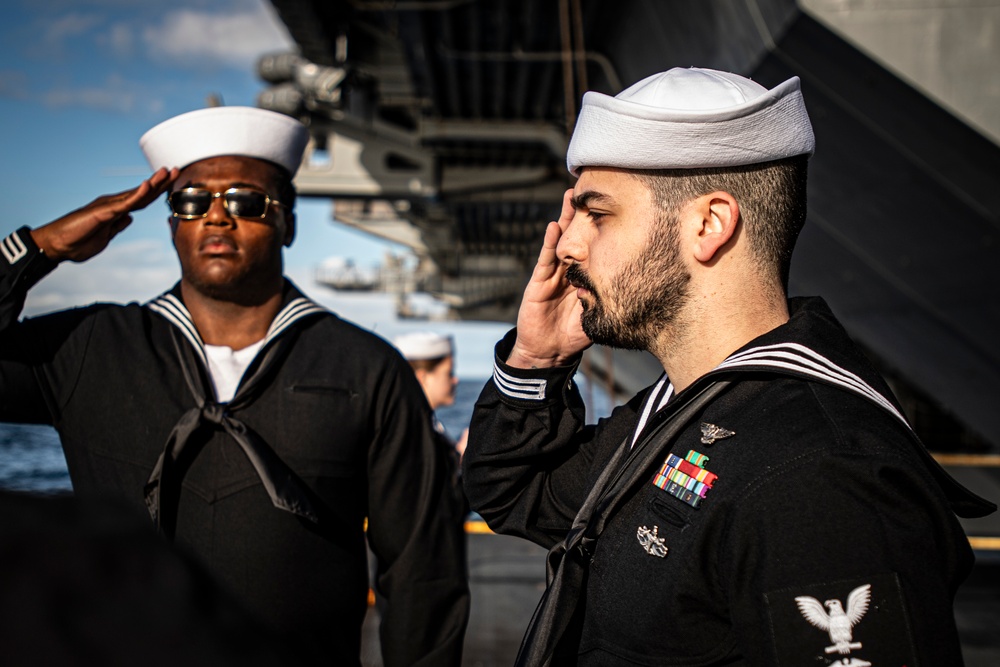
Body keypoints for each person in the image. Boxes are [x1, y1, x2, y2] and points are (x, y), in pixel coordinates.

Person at [461, 67, 995, 666]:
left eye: (598, 213)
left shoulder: (822, 479)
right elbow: (514, 492)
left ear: (709, 225)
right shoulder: (682, 412)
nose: (565, 244)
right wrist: (536, 363)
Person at [0, 106, 469, 666]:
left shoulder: (366, 368)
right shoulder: (87, 349)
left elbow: (422, 574)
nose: (216, 217)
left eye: (246, 201)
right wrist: (35, 249)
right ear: (172, 221)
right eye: (192, 201)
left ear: (288, 223)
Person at [393, 331, 468, 459]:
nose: (455, 380)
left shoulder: (417, 424)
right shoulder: (412, 431)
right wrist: (462, 458)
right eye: (449, 373)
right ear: (423, 378)